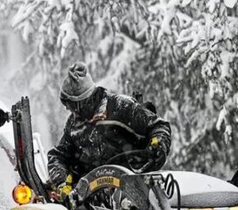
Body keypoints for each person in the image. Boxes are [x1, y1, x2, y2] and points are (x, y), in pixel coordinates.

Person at [48, 62, 172, 200]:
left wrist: (158, 143)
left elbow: (159, 126)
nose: (68, 109)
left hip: (135, 189)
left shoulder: (120, 107)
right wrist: (61, 182)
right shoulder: (74, 125)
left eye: (71, 105)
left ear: (84, 101)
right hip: (95, 199)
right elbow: (57, 156)